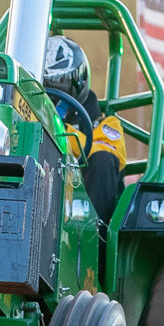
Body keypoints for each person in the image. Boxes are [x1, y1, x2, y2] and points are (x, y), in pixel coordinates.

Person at [43, 36, 126, 226]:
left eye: (58, 85)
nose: (49, 95)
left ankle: (92, 242)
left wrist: (56, 129)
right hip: (39, 199)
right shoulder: (28, 119)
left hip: (83, 209)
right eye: (44, 86)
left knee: (104, 160)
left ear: (78, 82)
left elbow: (102, 152)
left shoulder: (107, 125)